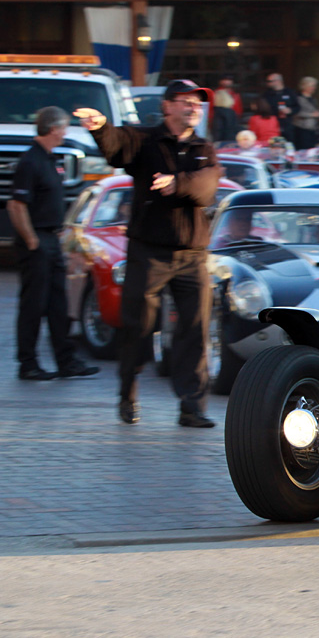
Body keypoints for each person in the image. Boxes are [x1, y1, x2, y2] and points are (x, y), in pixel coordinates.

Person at [74, 78, 220, 428]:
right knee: (137, 327)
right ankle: (128, 393)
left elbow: (207, 188)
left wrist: (176, 184)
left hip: (192, 256)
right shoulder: (145, 141)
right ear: (167, 106)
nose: (193, 108)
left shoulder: (205, 148)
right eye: (186, 101)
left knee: (195, 331)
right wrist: (100, 128)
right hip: (149, 253)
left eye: (198, 103)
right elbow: (116, 146)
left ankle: (191, 407)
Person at [9, 106, 99, 381]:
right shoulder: (30, 161)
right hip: (37, 241)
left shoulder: (49, 159)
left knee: (58, 303)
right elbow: (16, 205)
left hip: (51, 239)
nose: (64, 133)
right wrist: (32, 241)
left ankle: (66, 361)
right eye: (62, 128)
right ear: (51, 129)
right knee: (34, 305)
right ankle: (28, 364)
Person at [262, 72, 299, 144]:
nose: (268, 83)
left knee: (289, 144)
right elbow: (263, 108)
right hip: (272, 124)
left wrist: (290, 110)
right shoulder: (266, 94)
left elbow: (297, 107)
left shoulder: (290, 92)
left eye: (270, 81)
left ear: (278, 81)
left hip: (288, 124)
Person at [293, 76, 319, 150]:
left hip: (313, 128)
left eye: (315, 86)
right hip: (302, 129)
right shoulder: (298, 99)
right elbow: (296, 112)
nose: (314, 88)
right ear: (305, 86)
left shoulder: (314, 99)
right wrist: (312, 115)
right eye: (312, 86)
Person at [212, 76, 242, 142]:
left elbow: (239, 110)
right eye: (224, 79)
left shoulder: (235, 94)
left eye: (229, 80)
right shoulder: (216, 93)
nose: (226, 82)